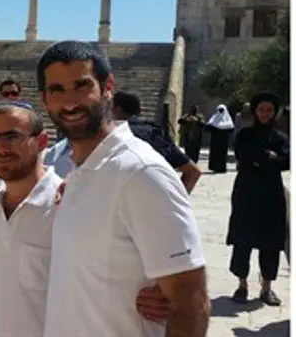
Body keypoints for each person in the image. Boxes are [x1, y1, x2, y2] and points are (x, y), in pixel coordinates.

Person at [37, 40, 209, 337]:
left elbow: (191, 302)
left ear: (107, 88)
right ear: (44, 99)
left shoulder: (141, 173)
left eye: (82, 86)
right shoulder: (78, 172)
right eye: (57, 90)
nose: (70, 102)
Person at [0, 101, 171, 336]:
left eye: (13, 137)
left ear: (42, 141)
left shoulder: (70, 203)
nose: (2, 148)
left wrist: (166, 294)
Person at [226, 92, 289, 306]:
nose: (265, 114)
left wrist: (264, 161)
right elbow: (244, 156)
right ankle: (242, 285)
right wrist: (269, 159)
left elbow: (287, 161)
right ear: (255, 111)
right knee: (242, 239)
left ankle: (266, 288)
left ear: (275, 113)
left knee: (271, 242)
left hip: (271, 195)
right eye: (261, 109)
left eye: (269, 110)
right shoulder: (245, 135)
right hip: (247, 192)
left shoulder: (281, 138)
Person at [113, 91, 202, 193]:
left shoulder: (109, 135)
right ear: (139, 111)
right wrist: (175, 199)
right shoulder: (153, 135)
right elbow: (193, 172)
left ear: (115, 109)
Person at [206, 104, 235, 173]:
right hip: (215, 140)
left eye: (222, 110)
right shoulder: (214, 118)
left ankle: (222, 168)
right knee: (214, 154)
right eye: (220, 110)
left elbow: (231, 129)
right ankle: (214, 167)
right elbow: (208, 127)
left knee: (222, 154)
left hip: (223, 141)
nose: (221, 111)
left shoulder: (228, 119)